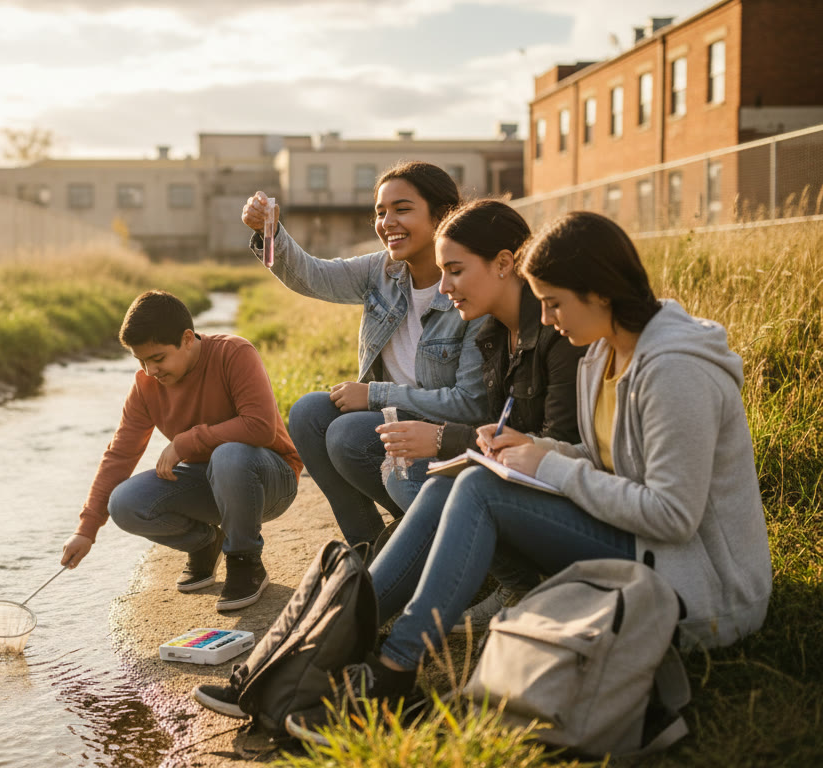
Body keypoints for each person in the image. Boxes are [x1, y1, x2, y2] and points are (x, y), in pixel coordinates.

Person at [277, 211, 773, 746]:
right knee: (457, 478)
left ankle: (391, 669)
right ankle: (323, 645)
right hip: (642, 548)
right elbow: (608, 456)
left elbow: (674, 516)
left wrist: (549, 464)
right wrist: (534, 448)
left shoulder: (676, 371)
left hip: (701, 589)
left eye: (555, 302)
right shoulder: (604, 352)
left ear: (600, 292)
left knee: (480, 488)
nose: (550, 318)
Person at [239, 162, 491, 547]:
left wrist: (374, 395)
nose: (387, 221)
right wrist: (269, 232)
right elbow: (312, 275)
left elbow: (470, 405)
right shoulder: (382, 270)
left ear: (443, 215)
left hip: (442, 428)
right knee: (308, 413)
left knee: (346, 434)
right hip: (391, 415)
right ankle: (368, 543)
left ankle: (419, 534)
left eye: (402, 209)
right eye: (380, 211)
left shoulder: (467, 288)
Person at [375, 199, 588, 632]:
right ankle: (348, 620)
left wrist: (443, 440)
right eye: (442, 273)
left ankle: (352, 627)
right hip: (517, 485)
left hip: (573, 498)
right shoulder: (491, 334)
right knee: (409, 469)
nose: (444, 287)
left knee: (448, 486)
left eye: (455, 271)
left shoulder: (560, 331)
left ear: (504, 263)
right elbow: (502, 429)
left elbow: (555, 444)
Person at [59, 290, 302, 612]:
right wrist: (86, 531)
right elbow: (119, 455)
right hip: (210, 482)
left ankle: (246, 562)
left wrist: (185, 442)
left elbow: (259, 426)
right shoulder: (146, 386)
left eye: (157, 358)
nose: (150, 371)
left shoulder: (234, 353)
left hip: (269, 479)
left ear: (188, 339)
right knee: (125, 502)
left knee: (228, 455)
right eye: (141, 361)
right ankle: (204, 543)